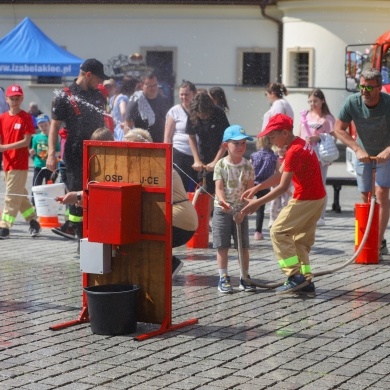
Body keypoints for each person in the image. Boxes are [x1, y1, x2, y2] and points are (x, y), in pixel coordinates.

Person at [241, 114, 326, 296]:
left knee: (278, 231)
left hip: (306, 199)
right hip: (318, 198)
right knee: (299, 241)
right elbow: (279, 175)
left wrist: (257, 202)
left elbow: (282, 187)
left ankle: (294, 277)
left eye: (272, 136)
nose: (270, 141)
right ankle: (305, 281)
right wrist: (257, 188)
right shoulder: (299, 144)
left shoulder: (294, 151)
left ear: (285, 133)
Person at [46, 58, 109, 241]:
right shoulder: (64, 96)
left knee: (98, 191)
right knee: (77, 193)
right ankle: (81, 237)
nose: (100, 82)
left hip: (98, 151)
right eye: (98, 78)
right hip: (75, 152)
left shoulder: (98, 96)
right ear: (88, 75)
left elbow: (104, 124)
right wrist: (51, 153)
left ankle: (97, 234)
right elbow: (54, 127)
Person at [334, 67, 390, 258]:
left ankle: (378, 241)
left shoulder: (388, 103)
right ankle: (368, 236)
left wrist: (388, 150)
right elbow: (338, 129)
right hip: (363, 152)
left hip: (386, 153)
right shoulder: (353, 102)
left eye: (369, 88)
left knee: (382, 193)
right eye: (361, 86)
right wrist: (357, 149)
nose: (364, 91)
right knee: (366, 196)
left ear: (379, 88)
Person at [213, 124, 255, 293]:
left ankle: (244, 276)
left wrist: (244, 210)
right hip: (222, 210)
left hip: (240, 210)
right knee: (222, 245)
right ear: (226, 145)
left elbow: (250, 190)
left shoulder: (248, 166)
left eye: (243, 143)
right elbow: (219, 188)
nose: (240, 147)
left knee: (243, 246)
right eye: (236, 143)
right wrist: (223, 202)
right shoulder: (221, 165)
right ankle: (223, 277)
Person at [0, 85, 41, 239]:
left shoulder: (25, 117)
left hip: (20, 163)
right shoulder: (2, 118)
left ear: (22, 99)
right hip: (7, 163)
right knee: (20, 195)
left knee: (10, 195)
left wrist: (4, 147)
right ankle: (33, 222)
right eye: (12, 98)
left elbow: (26, 141)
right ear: (7, 99)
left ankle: (4, 226)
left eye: (17, 98)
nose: (15, 101)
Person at [299, 88, 336, 226]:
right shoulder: (306, 116)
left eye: (315, 101)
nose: (312, 104)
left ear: (322, 101)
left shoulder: (328, 118)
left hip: (320, 154)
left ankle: (321, 215)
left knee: (320, 183)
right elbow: (300, 133)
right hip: (305, 153)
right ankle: (306, 213)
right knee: (305, 184)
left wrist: (318, 137)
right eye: (310, 101)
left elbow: (333, 137)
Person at [186, 92, 230, 197]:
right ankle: (206, 212)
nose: (202, 116)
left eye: (205, 114)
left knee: (220, 186)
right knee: (205, 188)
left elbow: (226, 139)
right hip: (203, 152)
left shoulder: (218, 113)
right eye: (200, 115)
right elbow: (191, 136)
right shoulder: (192, 114)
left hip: (220, 151)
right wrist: (197, 160)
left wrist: (216, 161)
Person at [164, 80, 198, 192]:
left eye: (187, 94)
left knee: (197, 186)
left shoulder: (199, 110)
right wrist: (167, 154)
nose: (184, 97)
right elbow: (168, 136)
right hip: (180, 152)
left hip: (197, 154)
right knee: (180, 186)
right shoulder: (174, 111)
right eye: (181, 94)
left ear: (194, 94)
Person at [124, 72, 169, 143]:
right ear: (142, 86)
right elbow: (128, 125)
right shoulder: (136, 101)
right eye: (150, 86)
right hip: (143, 145)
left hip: (161, 144)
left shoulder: (163, 100)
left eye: (155, 85)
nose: (153, 88)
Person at [250, 135, 278, 240]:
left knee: (245, 204)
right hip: (265, 184)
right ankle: (258, 232)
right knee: (260, 209)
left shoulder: (254, 155)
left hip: (252, 184)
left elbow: (249, 168)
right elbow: (278, 172)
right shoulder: (274, 157)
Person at [29, 114, 60, 205]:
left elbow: (58, 151)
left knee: (49, 185)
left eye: (45, 125)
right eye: (41, 126)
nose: (43, 127)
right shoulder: (36, 137)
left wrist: (52, 155)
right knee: (36, 184)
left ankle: (49, 202)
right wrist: (32, 152)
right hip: (38, 165)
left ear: (49, 123)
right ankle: (35, 203)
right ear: (38, 126)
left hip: (50, 166)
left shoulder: (54, 137)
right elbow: (34, 150)